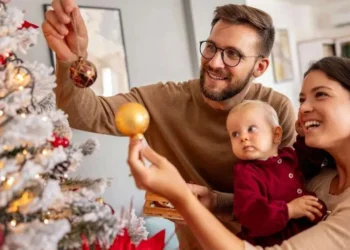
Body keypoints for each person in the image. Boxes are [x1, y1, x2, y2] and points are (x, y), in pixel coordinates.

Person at [43, 1, 296, 248]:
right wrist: (71, 59)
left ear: (259, 67)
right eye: (211, 48)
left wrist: (217, 202)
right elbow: (84, 114)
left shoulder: (275, 109)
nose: (215, 62)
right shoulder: (162, 100)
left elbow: (290, 193)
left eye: (233, 54)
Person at [127, 56, 350, 250]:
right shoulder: (320, 177)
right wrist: (215, 202)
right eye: (302, 100)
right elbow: (262, 205)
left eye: (321, 94)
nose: (304, 108)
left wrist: (183, 199)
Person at [226, 100, 327, 247]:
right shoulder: (246, 173)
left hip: (309, 231)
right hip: (274, 241)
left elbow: (310, 164)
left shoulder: (288, 156)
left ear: (276, 134)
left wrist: (303, 135)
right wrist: (289, 210)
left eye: (251, 129)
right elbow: (250, 214)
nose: (243, 137)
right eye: (235, 134)